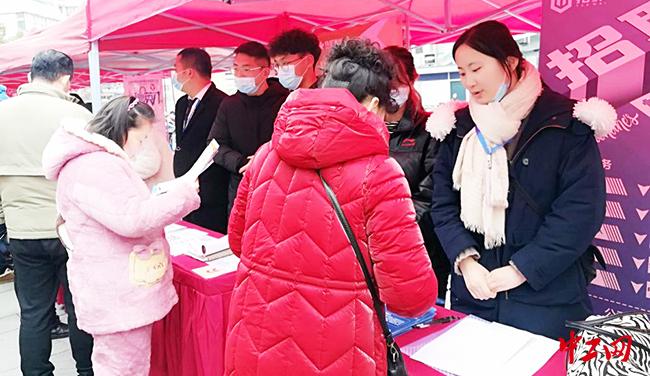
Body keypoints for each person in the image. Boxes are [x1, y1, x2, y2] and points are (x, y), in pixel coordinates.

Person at [225, 39, 437, 376]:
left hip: (257, 336)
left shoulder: (266, 155)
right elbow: (410, 296)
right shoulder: (380, 173)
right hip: (338, 348)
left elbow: (238, 241)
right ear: (372, 104)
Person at [428, 21, 612, 339]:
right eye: (461, 72)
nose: (469, 81)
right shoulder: (458, 127)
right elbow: (443, 202)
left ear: (510, 62)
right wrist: (466, 260)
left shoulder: (566, 122)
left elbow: (580, 211)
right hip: (476, 293)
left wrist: (522, 269)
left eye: (476, 68)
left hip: (548, 298)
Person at [42, 96, 200, 376]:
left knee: (123, 363)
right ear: (122, 130)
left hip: (114, 289)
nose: (140, 148)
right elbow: (132, 219)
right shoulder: (96, 165)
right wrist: (183, 195)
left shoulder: (93, 161)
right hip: (117, 294)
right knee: (124, 366)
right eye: (140, 140)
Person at [0, 50, 94, 376]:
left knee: (33, 312)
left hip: (22, 231)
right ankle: (86, 370)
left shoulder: (2, 114)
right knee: (79, 307)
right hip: (71, 230)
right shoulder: (77, 116)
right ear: (66, 79)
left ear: (30, 76)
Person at [384, 45, 451, 301]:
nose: (390, 88)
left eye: (396, 81)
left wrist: (391, 230)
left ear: (411, 80)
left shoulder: (431, 130)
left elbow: (431, 195)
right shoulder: (367, 129)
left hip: (420, 250)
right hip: (374, 252)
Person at [208, 41, 289, 213]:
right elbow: (215, 145)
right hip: (241, 186)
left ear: (265, 71)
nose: (239, 74)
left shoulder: (285, 101)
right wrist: (241, 163)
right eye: (236, 68)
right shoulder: (229, 105)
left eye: (246, 69)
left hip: (279, 185)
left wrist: (263, 161)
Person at [172, 47, 229, 232]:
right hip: (185, 189)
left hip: (212, 192)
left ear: (188, 72)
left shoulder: (222, 103)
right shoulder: (182, 104)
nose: (175, 75)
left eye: (176, 69)